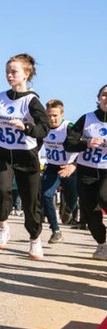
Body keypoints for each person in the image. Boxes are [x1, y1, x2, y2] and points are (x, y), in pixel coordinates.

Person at [0, 53, 48, 258]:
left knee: (30, 201)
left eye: (14, 71)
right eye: (7, 71)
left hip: (26, 155)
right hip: (2, 153)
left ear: (26, 74)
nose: (9, 75)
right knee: (2, 190)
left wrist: (26, 127)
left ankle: (34, 239)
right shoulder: (0, 98)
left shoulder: (32, 101)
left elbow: (44, 128)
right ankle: (3, 227)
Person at [64, 85, 107, 260]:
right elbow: (69, 143)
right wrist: (86, 143)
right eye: (104, 95)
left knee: (105, 198)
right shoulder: (87, 119)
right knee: (90, 212)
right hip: (86, 171)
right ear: (98, 98)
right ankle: (102, 244)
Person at [40, 99, 78, 244]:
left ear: (62, 114)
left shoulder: (69, 127)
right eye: (49, 115)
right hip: (52, 167)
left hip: (70, 168)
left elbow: (83, 147)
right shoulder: (44, 128)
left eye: (55, 115)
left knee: (72, 200)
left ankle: (69, 210)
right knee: (46, 195)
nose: (52, 119)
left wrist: (73, 165)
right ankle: (55, 230)